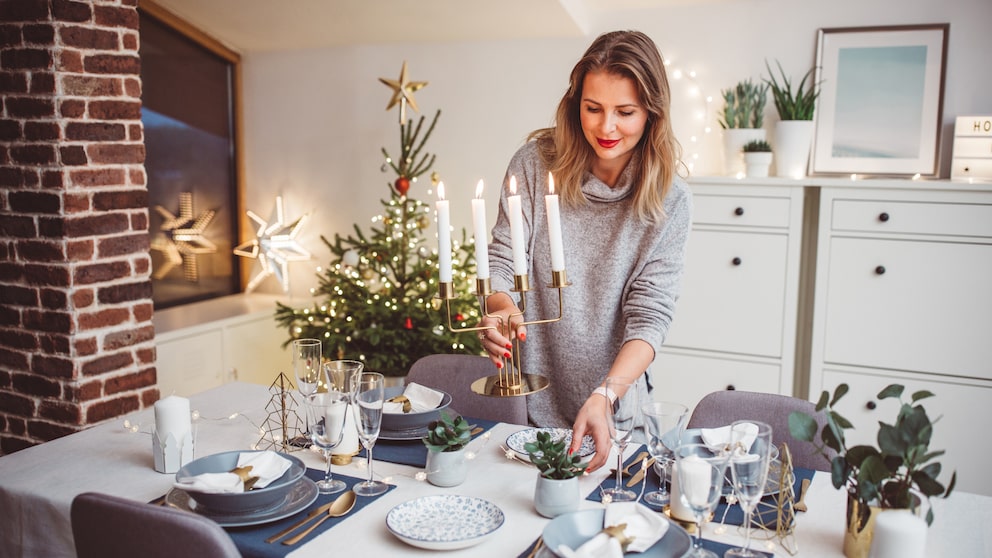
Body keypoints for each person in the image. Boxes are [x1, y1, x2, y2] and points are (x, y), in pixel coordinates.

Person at [479, 30, 692, 472]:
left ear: (652, 112)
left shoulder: (671, 199)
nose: (606, 127)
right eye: (593, 108)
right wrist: (499, 305)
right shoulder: (535, 165)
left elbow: (651, 315)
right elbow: (501, 259)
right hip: (527, 411)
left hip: (612, 416)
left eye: (625, 112)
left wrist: (605, 394)